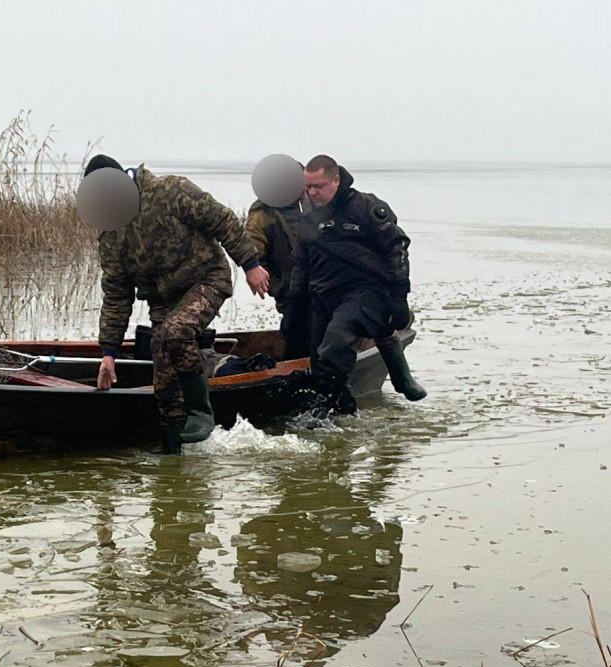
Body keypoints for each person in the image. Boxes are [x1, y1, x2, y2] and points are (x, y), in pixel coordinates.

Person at [85, 154, 268, 453]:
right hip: (163, 301)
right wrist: (108, 353)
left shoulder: (171, 191)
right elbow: (117, 295)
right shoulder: (111, 235)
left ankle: (201, 411)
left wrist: (250, 265)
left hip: (206, 280)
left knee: (176, 331)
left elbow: (221, 219)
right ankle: (173, 456)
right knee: (165, 385)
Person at [286, 155, 425, 415]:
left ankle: (345, 408)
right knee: (319, 363)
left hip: (364, 292)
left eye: (319, 186)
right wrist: (293, 306)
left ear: (336, 180)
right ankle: (339, 411)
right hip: (323, 296)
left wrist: (399, 295)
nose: (312, 193)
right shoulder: (306, 220)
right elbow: (300, 267)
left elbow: (397, 248)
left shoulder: (365, 207)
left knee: (333, 347)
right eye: (308, 187)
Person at [243, 183, 310, 359]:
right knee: (296, 340)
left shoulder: (316, 205)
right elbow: (253, 256)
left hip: (325, 290)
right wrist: (279, 287)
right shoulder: (262, 215)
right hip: (291, 295)